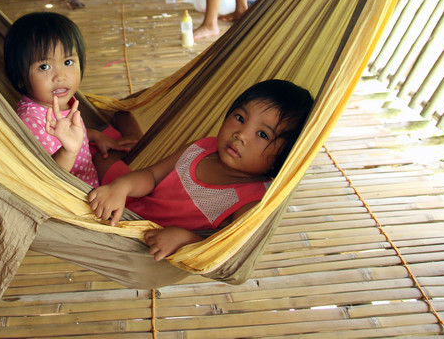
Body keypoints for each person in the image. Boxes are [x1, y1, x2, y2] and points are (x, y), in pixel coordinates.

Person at [88, 79, 314, 260]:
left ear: (284, 156)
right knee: (101, 154)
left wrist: (186, 240)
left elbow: (227, 249)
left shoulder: (252, 199)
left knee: (103, 154)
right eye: (240, 118)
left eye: (263, 134)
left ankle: (129, 135)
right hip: (131, 208)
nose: (241, 134)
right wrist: (121, 187)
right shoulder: (203, 148)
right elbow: (152, 175)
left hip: (149, 241)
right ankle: (130, 137)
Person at [3, 12, 137, 186]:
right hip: (74, 200)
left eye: (68, 62)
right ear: (19, 77)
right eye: (44, 66)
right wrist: (69, 152)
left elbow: (64, 134)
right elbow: (47, 179)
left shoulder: (60, 99)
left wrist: (94, 135)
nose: (60, 76)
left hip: (90, 181)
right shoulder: (31, 120)